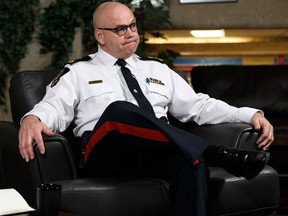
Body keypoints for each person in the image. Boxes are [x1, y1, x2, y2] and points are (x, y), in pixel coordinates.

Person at [18, 2, 274, 216]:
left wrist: (248, 114)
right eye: (120, 29)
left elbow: (198, 106)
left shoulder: (157, 69)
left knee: (192, 162)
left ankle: (204, 154)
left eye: (132, 25)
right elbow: (54, 106)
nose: (130, 32)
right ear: (100, 36)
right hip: (106, 154)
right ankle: (218, 154)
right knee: (119, 111)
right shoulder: (79, 72)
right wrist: (33, 117)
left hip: (154, 152)